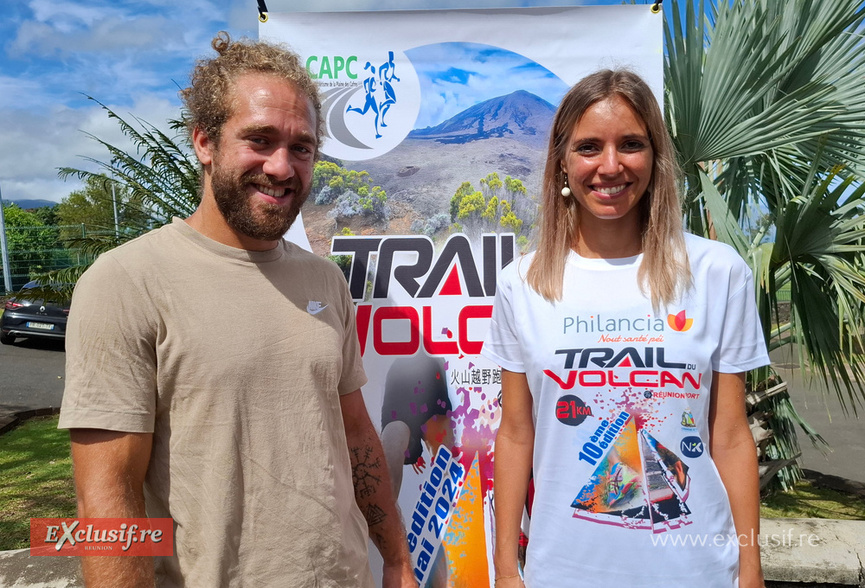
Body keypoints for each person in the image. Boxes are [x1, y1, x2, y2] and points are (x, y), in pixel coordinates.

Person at [59, 32, 416, 588]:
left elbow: (354, 435)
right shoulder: (125, 282)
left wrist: (395, 559)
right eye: (260, 139)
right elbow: (107, 498)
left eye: (302, 147)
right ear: (204, 141)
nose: (281, 167)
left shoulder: (324, 278)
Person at [482, 69, 769, 588]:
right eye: (589, 147)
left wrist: (750, 568)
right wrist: (505, 568)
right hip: (563, 571)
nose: (610, 166)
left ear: (655, 158)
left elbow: (728, 436)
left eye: (631, 145)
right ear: (561, 164)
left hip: (697, 568)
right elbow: (515, 433)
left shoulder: (717, 272)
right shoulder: (521, 284)